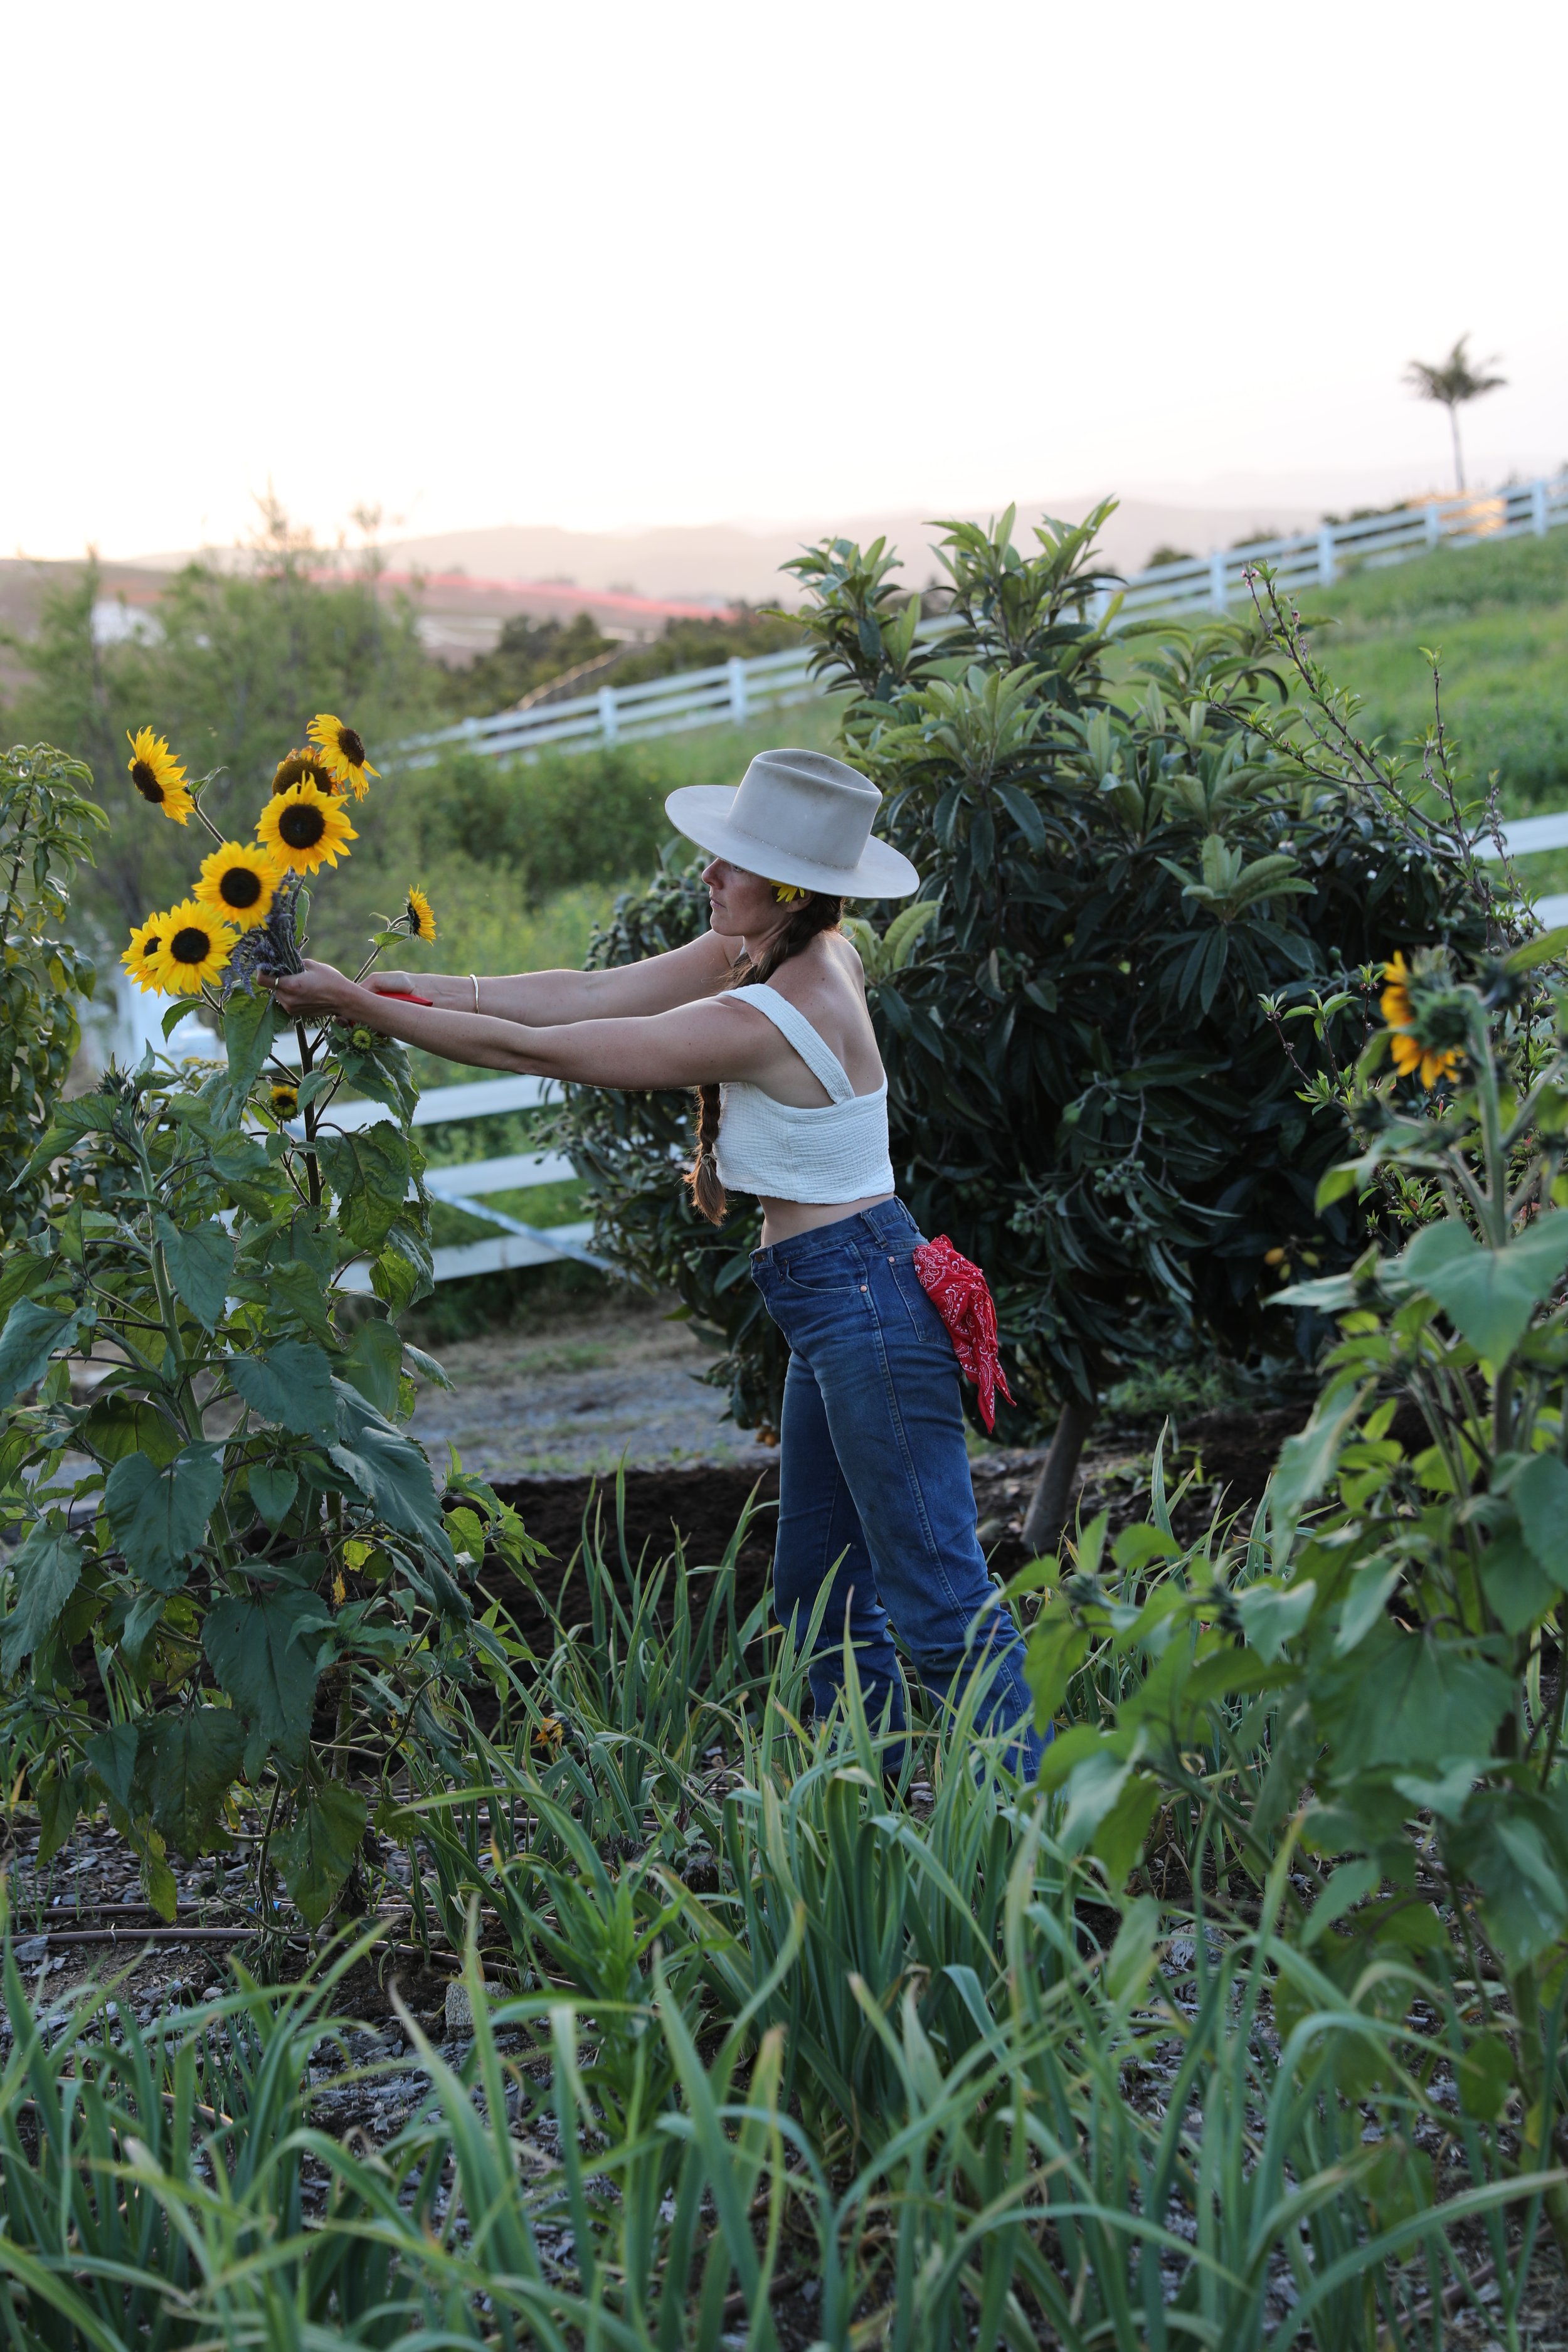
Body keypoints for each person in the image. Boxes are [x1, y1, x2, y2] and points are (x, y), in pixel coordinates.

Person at [270, 748, 1041, 1775]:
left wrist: (368, 1011)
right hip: (839, 1303)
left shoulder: (779, 1007)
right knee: (821, 1597)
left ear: (792, 887)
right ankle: (879, 1823)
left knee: (938, 1598)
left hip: (866, 1304)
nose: (709, 875)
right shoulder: (781, 953)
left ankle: (1040, 1864)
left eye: (732, 862)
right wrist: (429, 987)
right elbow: (590, 995)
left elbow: (560, 1054)